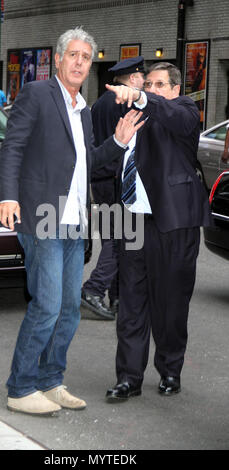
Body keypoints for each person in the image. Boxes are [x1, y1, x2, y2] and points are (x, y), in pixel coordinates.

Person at [0, 26, 144, 416]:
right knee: (46, 305)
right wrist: (8, 196)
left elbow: (87, 163)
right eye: (73, 55)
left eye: (86, 57)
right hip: (42, 216)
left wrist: (117, 142)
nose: (79, 62)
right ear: (59, 59)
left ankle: (50, 380)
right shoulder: (38, 94)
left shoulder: (83, 110)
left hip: (74, 220)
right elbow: (12, 147)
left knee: (69, 309)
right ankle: (21, 386)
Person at [105, 62, 213, 402]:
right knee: (132, 304)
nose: (152, 89)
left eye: (159, 84)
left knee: (170, 303)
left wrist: (140, 96)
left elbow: (171, 116)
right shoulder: (133, 114)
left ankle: (169, 369)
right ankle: (129, 377)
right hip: (131, 219)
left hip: (174, 221)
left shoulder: (183, 110)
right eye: (147, 83)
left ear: (175, 89)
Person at [81, 57, 146, 321]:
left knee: (114, 237)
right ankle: (94, 289)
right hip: (116, 179)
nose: (144, 83)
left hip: (101, 177)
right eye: (142, 78)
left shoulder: (99, 103)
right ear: (132, 79)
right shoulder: (126, 102)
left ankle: (117, 297)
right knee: (122, 239)